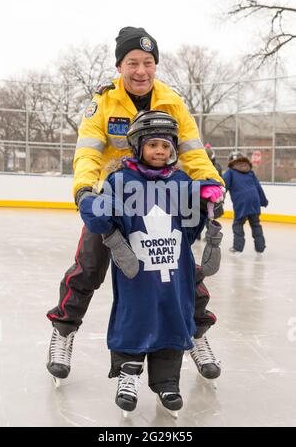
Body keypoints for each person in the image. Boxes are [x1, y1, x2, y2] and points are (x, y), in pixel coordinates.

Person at [46, 26, 224, 382]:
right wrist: (85, 190)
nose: (141, 70)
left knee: (179, 268)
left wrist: (211, 185)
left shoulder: (173, 102)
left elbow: (192, 151)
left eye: (147, 62)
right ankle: (63, 333)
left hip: (163, 200)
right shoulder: (103, 103)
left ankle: (197, 334)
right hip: (113, 201)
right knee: (89, 267)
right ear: (120, 67)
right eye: (132, 63)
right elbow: (88, 152)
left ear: (155, 65)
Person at [79, 110, 223, 414]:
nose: (160, 151)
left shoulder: (182, 181)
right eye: (153, 145)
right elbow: (103, 219)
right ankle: (127, 376)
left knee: (174, 315)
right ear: (138, 146)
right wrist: (94, 205)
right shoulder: (120, 180)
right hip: (138, 273)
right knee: (135, 316)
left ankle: (168, 382)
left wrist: (208, 203)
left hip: (173, 268)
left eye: (166, 146)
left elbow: (190, 230)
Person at [223, 151, 268, 253]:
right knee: (255, 223)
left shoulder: (230, 172)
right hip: (254, 200)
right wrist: (263, 201)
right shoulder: (250, 172)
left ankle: (237, 248)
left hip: (241, 202)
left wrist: (217, 198)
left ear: (231, 161)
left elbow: (223, 186)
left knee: (238, 224)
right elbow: (258, 188)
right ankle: (260, 248)